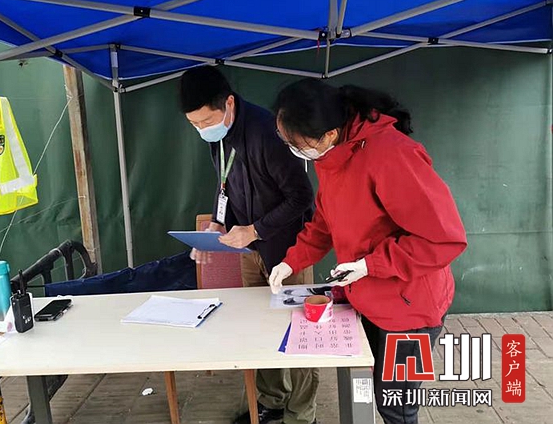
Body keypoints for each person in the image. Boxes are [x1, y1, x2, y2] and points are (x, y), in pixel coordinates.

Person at [268, 79, 467, 424]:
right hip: (367, 296)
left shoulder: (392, 155)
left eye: (297, 144)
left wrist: (370, 264)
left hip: (411, 307)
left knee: (396, 404)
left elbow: (443, 239)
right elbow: (325, 223)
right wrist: (291, 261)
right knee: (373, 385)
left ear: (329, 133)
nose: (293, 150)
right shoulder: (331, 156)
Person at [179, 66, 319, 424]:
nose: (202, 129)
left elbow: (302, 197)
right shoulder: (218, 136)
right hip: (249, 251)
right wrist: (217, 222)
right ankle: (272, 402)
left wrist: (255, 230)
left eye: (206, 121)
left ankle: (302, 414)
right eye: (194, 124)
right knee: (259, 328)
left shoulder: (268, 133)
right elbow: (224, 183)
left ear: (228, 103)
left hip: (288, 252)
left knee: (299, 332)